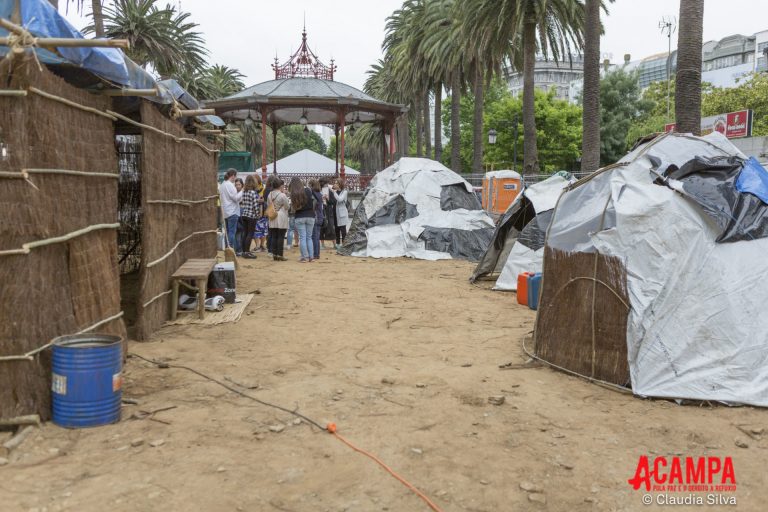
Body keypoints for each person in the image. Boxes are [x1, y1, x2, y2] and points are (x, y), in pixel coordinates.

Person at [290, 178, 316, 262]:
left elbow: (294, 208)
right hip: (310, 216)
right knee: (309, 237)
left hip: (300, 216)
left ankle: (304, 257)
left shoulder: (294, 193)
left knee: (302, 238)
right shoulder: (308, 190)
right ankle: (311, 256)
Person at [219, 169, 242, 252]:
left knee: (228, 232)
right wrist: (242, 191)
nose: (235, 178)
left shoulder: (222, 185)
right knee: (232, 232)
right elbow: (236, 198)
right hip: (232, 211)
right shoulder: (230, 185)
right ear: (233, 175)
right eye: (235, 176)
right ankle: (230, 249)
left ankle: (228, 248)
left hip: (226, 211)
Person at [267, 178, 289, 261]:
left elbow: (268, 204)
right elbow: (287, 206)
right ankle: (280, 254)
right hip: (281, 215)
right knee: (281, 236)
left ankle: (274, 254)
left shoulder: (270, 194)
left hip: (272, 215)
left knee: (274, 236)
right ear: (280, 186)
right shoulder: (282, 195)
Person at [239, 176, 259, 259]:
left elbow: (242, 203)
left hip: (244, 214)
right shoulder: (253, 193)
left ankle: (244, 251)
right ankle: (247, 252)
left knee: (245, 233)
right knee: (250, 234)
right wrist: (257, 214)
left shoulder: (244, 192)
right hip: (251, 215)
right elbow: (255, 205)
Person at [332, 178, 349, 249]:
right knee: (336, 229)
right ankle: (338, 244)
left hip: (342, 213)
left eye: (336, 183)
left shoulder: (344, 192)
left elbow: (340, 199)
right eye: (335, 183)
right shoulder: (334, 191)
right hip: (335, 212)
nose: (335, 184)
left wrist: (334, 192)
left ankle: (344, 244)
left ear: (340, 184)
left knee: (343, 229)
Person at [320, 177, 337, 247]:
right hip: (321, 211)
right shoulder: (318, 191)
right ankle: (322, 244)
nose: (327, 185)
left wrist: (328, 199)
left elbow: (333, 202)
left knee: (331, 227)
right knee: (321, 227)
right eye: (325, 184)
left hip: (329, 211)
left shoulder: (330, 191)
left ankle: (334, 244)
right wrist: (321, 199)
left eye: (327, 183)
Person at [309, 179, 324, 260]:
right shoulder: (319, 194)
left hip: (315, 216)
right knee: (317, 236)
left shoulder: (312, 193)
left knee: (314, 236)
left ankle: (315, 254)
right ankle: (317, 254)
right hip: (320, 216)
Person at [253, 175, 268, 252]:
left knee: (264, 229)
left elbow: (267, 198)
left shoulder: (264, 188)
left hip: (264, 211)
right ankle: (257, 245)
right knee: (255, 229)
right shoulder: (252, 189)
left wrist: (263, 200)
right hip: (255, 212)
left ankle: (262, 245)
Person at [234, 178, 245, 255]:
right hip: (236, 214)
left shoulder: (244, 193)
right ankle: (238, 250)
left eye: (239, 184)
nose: (237, 186)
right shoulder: (234, 193)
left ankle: (242, 249)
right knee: (238, 232)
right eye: (236, 185)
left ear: (242, 185)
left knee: (243, 232)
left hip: (244, 214)